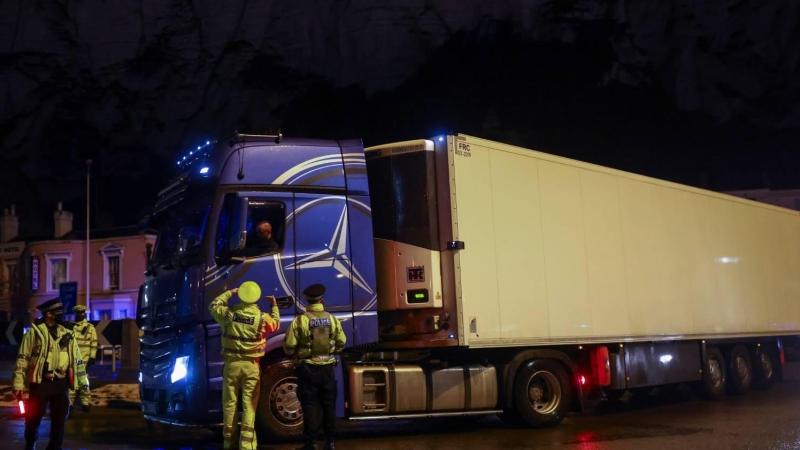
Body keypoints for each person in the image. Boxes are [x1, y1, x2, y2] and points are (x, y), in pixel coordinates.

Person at [209, 283, 280, 450]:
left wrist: (229, 293)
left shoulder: (228, 314)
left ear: (240, 295)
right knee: (249, 405)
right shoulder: (262, 318)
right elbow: (276, 325)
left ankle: (228, 442)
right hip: (251, 367)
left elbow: (213, 306)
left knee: (229, 404)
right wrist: (274, 306)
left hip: (231, 366)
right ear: (255, 298)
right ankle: (246, 445)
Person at [13, 298, 90, 450]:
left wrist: (83, 381)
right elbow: (23, 359)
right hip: (40, 383)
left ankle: (54, 447)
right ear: (49, 314)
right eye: (58, 312)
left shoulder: (67, 333)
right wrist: (18, 384)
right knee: (34, 417)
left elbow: (77, 359)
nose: (61, 315)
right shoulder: (34, 333)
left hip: (61, 383)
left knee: (60, 417)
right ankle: (30, 443)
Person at [283, 284, 346, 450]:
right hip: (327, 370)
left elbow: (289, 345)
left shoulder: (300, 320)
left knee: (310, 405)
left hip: (308, 368)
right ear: (322, 300)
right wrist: (332, 351)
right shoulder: (332, 319)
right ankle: (330, 443)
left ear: (307, 301)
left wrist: (295, 353)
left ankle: (311, 444)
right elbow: (342, 342)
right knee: (328, 405)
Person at [69, 305, 97, 411]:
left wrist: (92, 357)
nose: (80, 315)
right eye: (78, 313)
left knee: (84, 382)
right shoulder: (71, 327)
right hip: (73, 359)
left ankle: (85, 403)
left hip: (84, 360)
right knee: (72, 381)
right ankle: (70, 403)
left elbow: (93, 343)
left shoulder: (90, 327)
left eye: (82, 313)